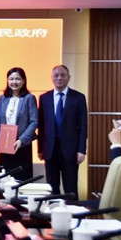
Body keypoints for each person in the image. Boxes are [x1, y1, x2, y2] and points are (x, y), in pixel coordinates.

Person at [37, 65, 87, 198]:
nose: (59, 78)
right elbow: (41, 126)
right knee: (52, 188)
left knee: (71, 189)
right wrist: (40, 149)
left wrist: (81, 150)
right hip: (50, 149)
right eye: (56, 75)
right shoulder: (44, 98)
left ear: (68, 78)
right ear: (52, 78)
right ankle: (53, 211)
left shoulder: (78, 97)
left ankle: (73, 211)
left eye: (63, 75)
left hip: (70, 150)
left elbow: (83, 126)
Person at [0, 67, 38, 181]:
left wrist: (21, 140)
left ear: (23, 81)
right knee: (5, 179)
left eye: (17, 79)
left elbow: (34, 122)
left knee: (21, 179)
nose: (14, 82)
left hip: (22, 146)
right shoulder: (3, 98)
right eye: (11, 79)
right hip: (5, 144)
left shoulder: (29, 98)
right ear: (7, 81)